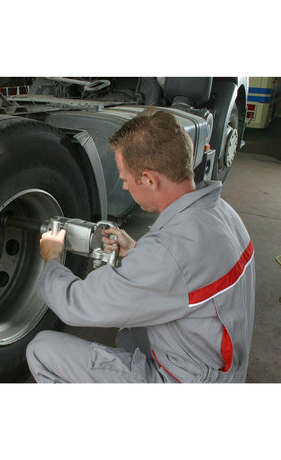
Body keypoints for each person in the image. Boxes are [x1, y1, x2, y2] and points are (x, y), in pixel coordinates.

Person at [26, 108, 255, 383]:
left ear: (149, 179)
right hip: (220, 367)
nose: (124, 187)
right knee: (130, 330)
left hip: (187, 381)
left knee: (41, 350)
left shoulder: (169, 253)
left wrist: (52, 260)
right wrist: (137, 252)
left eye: (124, 179)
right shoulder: (222, 213)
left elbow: (76, 305)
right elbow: (186, 274)